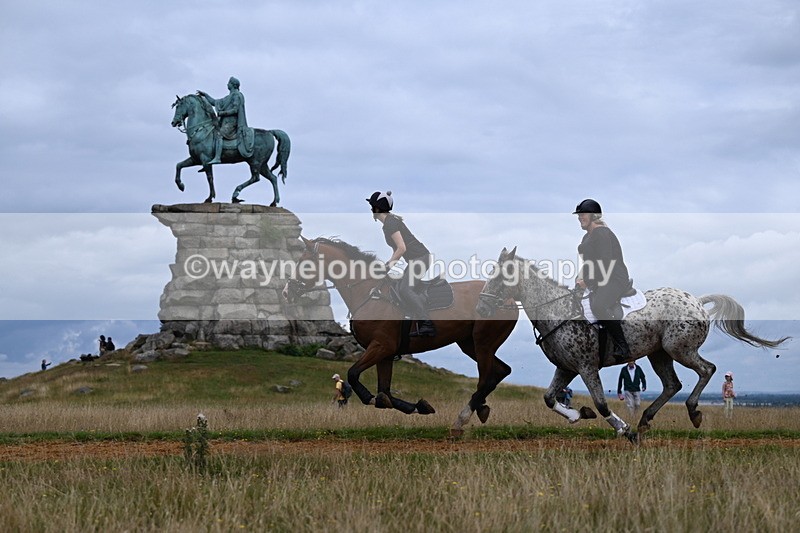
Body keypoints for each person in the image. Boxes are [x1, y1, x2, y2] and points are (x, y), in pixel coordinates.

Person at [367, 190, 436, 337]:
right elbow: (399, 250)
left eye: (372, 206)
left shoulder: (390, 223)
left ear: (377, 208)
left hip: (421, 259)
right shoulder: (389, 222)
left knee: (405, 289)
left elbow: (401, 248)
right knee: (398, 286)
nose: (371, 209)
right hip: (416, 260)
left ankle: (426, 323)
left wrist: (387, 267)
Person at [574, 199, 633, 365]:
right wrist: (579, 279)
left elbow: (606, 263)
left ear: (593, 216)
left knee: (599, 306)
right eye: (579, 215)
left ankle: (623, 348)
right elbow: (589, 263)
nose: (580, 217)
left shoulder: (602, 233)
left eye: (582, 214)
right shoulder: (588, 236)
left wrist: (588, 281)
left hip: (614, 278)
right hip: (599, 278)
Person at [197, 76, 253, 165]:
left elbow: (235, 110)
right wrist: (205, 95)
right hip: (224, 122)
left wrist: (222, 113)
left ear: (233, 85)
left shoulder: (237, 95)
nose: (227, 84)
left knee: (219, 134)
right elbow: (214, 102)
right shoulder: (228, 97)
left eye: (229, 83)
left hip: (232, 123)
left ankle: (217, 157)